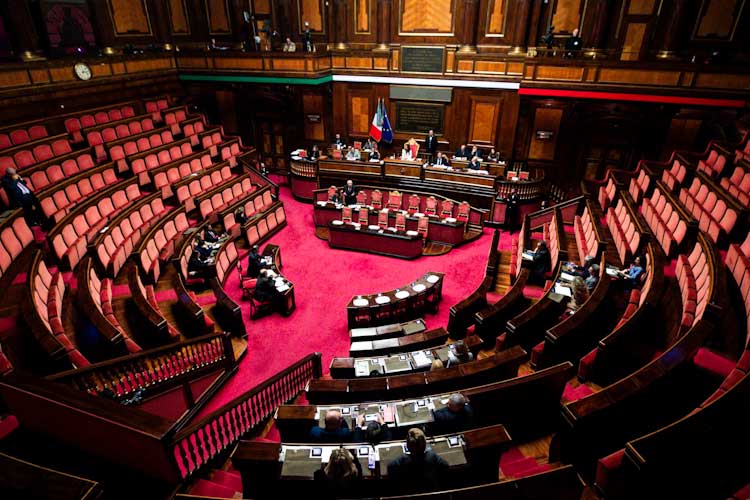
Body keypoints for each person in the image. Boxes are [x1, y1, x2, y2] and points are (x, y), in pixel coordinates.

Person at [387, 428, 449, 492]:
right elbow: (445, 465)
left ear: (407, 446)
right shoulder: (431, 456)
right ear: (425, 444)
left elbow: (390, 467)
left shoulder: (402, 460)